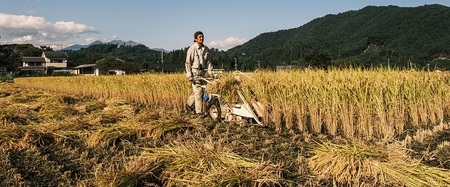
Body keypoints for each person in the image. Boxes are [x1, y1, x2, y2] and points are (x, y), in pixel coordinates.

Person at [185, 31, 213, 116]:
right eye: (200, 37)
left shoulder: (206, 49)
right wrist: (189, 75)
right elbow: (187, 62)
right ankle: (199, 112)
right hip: (195, 72)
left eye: (202, 37)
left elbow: (209, 62)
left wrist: (210, 73)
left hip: (202, 73)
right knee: (199, 91)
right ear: (195, 39)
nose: (201, 38)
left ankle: (189, 105)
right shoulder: (192, 49)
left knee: (202, 90)